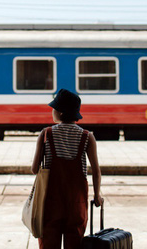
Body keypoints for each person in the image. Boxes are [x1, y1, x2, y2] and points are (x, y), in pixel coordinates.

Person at [31, 88, 104, 249]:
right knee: (75, 243)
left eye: (54, 108)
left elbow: (35, 169)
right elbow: (96, 171)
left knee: (48, 242)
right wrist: (97, 195)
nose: (52, 111)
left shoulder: (45, 134)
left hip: (50, 203)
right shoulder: (87, 136)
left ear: (61, 113)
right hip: (76, 203)